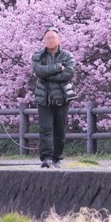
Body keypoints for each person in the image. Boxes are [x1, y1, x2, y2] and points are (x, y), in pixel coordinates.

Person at [32, 26, 77, 168]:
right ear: (44, 41)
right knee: (45, 129)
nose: (50, 40)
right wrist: (58, 67)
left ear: (59, 40)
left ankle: (57, 157)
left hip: (61, 97)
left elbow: (68, 74)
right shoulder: (38, 56)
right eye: (47, 38)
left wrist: (48, 76)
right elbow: (39, 71)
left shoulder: (67, 56)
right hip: (44, 97)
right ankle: (46, 158)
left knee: (60, 129)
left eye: (53, 38)